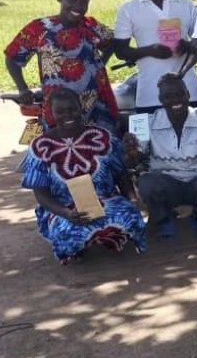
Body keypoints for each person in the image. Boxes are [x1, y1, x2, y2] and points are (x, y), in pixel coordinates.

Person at [21, 88, 146, 264]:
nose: (67, 115)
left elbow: (121, 174)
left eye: (72, 109)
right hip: (64, 208)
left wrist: (131, 197)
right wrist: (66, 212)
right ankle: (76, 249)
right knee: (68, 233)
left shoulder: (102, 137)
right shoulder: (39, 147)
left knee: (131, 216)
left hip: (106, 199)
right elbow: (41, 195)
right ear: (51, 113)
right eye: (60, 111)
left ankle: (113, 239)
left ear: (81, 108)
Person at [4, 0, 119, 132]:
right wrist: (22, 88)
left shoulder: (91, 25)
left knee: (98, 150)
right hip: (59, 110)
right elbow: (12, 57)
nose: (78, 6)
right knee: (59, 151)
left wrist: (100, 65)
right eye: (72, 0)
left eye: (84, 2)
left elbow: (113, 42)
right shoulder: (39, 28)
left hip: (95, 106)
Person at [128, 74, 197, 239]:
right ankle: (164, 219)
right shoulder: (147, 122)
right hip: (166, 182)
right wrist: (131, 151)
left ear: (188, 94)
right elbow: (135, 160)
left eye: (180, 94)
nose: (175, 100)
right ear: (160, 99)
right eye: (168, 96)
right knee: (147, 184)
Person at [114, 0, 197, 114]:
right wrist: (149, 50)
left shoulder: (185, 4)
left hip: (187, 91)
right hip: (150, 94)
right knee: (151, 140)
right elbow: (120, 51)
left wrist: (187, 45)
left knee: (193, 138)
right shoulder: (128, 9)